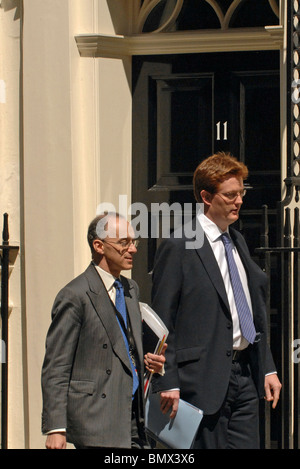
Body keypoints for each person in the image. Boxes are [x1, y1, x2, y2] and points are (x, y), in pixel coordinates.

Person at [151, 152, 281, 449]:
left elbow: (251, 310)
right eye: (231, 195)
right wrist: (167, 380)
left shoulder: (238, 241)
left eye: (241, 193)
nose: (239, 201)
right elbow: (160, 321)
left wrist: (267, 368)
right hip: (200, 381)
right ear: (207, 197)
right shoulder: (179, 245)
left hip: (245, 376)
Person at [41, 212, 166, 449]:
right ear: (99, 246)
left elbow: (126, 346)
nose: (133, 249)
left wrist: (152, 363)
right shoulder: (75, 295)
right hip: (96, 419)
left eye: (133, 242)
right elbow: (56, 366)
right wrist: (56, 428)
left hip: (135, 416)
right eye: (123, 243)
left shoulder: (131, 288)